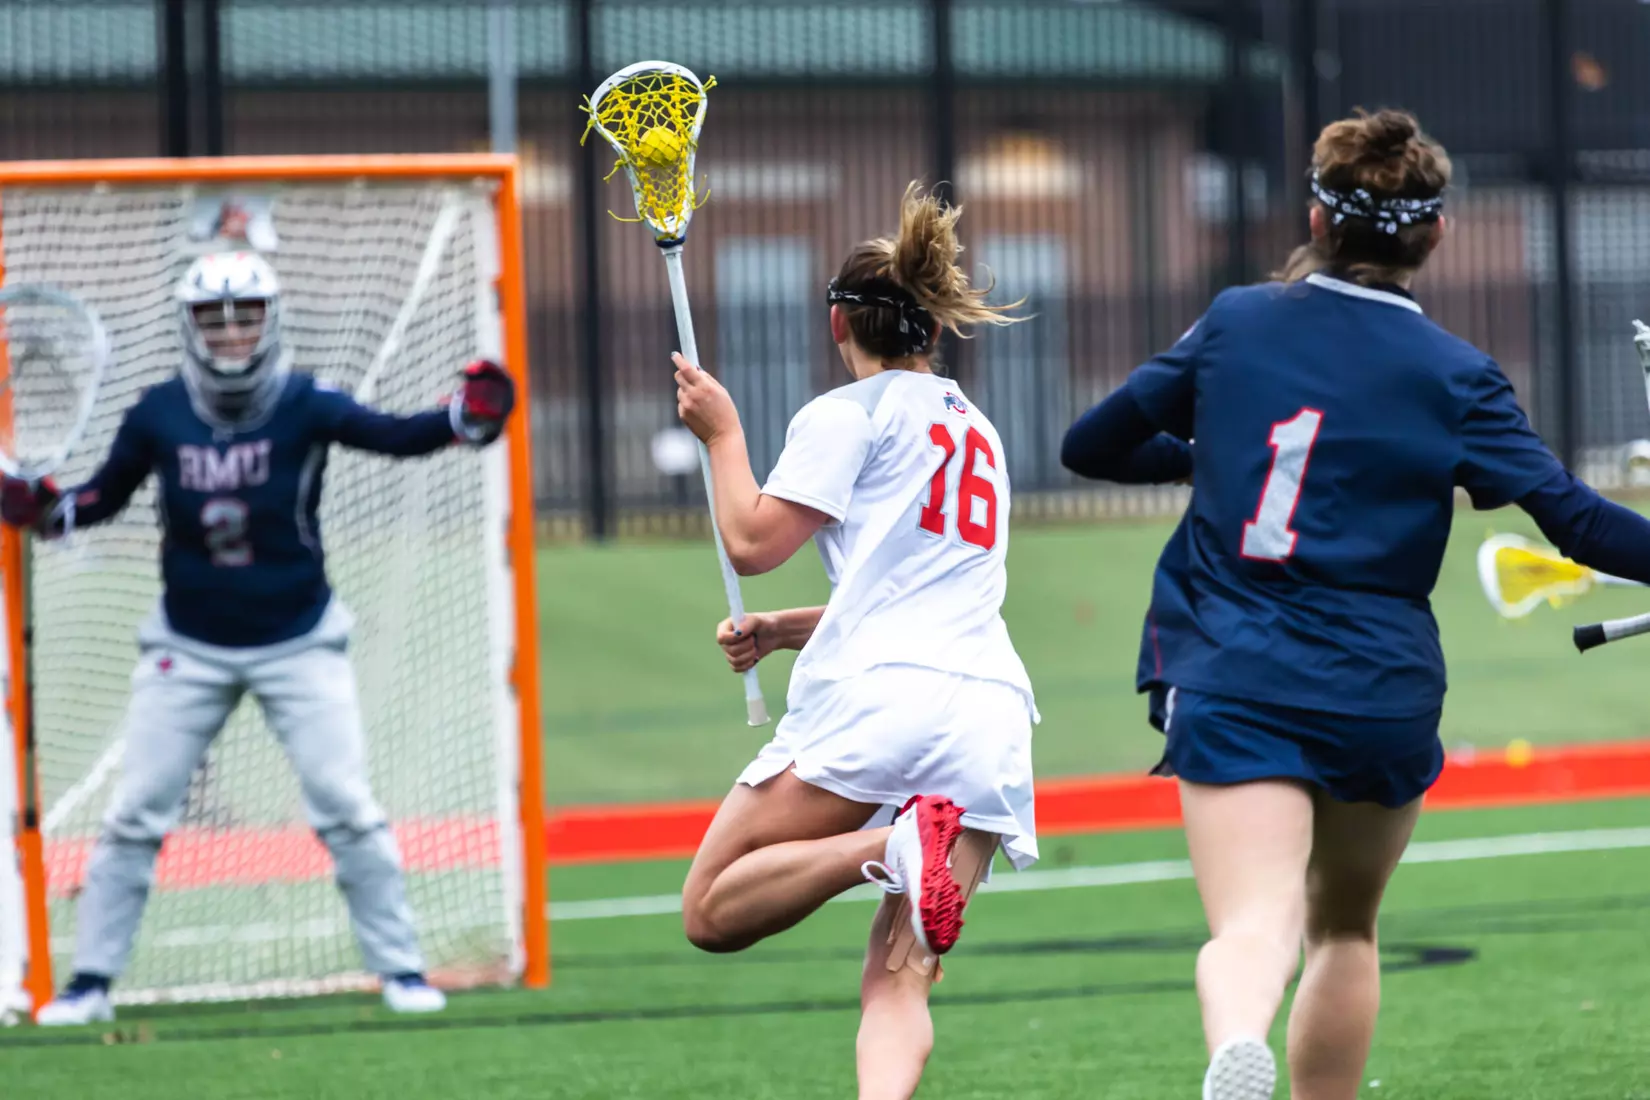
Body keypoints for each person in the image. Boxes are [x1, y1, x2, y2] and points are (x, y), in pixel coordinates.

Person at [1061, 108, 1650, 1100]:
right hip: (1380, 687)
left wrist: (1210, 459)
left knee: (1253, 925)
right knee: (1346, 925)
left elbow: (1092, 444)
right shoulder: (1459, 373)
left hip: (1234, 663)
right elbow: (1582, 523)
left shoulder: (1239, 318)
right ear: (1436, 234)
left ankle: (1235, 1040)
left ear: (1316, 219)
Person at [1, 250, 516, 1025]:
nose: (233, 331)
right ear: (189, 325)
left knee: (346, 807)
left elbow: (395, 433)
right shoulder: (157, 413)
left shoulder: (306, 402)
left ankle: (402, 969)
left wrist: (466, 420)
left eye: (247, 314)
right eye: (215, 316)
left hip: (299, 639)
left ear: (272, 320)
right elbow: (96, 502)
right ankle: (90, 985)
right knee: (135, 812)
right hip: (189, 644)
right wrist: (41, 507)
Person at [672, 182, 1038, 1100]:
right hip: (987, 713)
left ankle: (891, 847)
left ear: (841, 325)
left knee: (712, 909)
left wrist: (722, 435)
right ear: (934, 328)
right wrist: (789, 631)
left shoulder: (850, 412)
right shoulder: (979, 432)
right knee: (900, 974)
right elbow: (914, 587)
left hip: (885, 703)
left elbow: (755, 542)